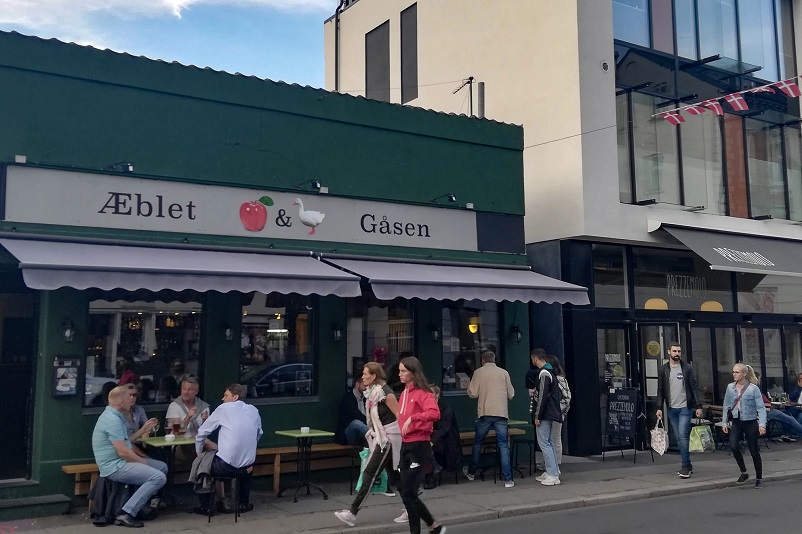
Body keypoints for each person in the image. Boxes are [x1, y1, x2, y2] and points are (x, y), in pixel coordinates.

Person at [334, 362, 401, 527]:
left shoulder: (387, 394)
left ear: (374, 376)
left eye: (365, 374)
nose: (362, 377)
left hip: (388, 440)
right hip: (380, 437)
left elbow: (401, 416)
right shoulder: (373, 392)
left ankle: (352, 512)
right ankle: (413, 505)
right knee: (396, 477)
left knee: (369, 472)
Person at [91, 386, 166, 528]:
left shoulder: (114, 416)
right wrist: (143, 462)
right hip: (114, 466)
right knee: (158, 477)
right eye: (128, 398)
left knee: (162, 467)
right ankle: (126, 513)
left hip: (120, 462)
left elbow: (127, 441)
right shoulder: (112, 420)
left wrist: (143, 430)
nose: (131, 401)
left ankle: (140, 505)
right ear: (120, 401)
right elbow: (123, 452)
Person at [194, 383, 263, 514]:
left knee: (202, 463)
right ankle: (243, 503)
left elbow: (202, 432)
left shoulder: (224, 408)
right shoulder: (253, 410)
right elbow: (259, 434)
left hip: (225, 467)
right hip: (246, 468)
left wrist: (198, 452)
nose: (222, 399)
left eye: (226, 395)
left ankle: (206, 506)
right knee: (247, 465)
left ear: (235, 397)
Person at [396, 356, 446, 534]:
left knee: (409, 493)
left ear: (413, 372)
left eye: (403, 371)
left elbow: (434, 413)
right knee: (405, 491)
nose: (400, 374)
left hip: (418, 445)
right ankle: (433, 525)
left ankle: (420, 529)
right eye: (399, 370)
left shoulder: (423, 393)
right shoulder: (404, 393)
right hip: (405, 444)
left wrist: (414, 418)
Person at [462, 351, 515, 488]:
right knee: (503, 445)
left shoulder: (478, 373)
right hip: (501, 413)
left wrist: (468, 385)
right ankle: (508, 479)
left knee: (478, 443)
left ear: (482, 361)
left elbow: (473, 394)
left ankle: (472, 472)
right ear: (494, 359)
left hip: (485, 413)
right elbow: (511, 394)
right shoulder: (504, 373)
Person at [655, 342, 703, 479]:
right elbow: (661, 390)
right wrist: (659, 407)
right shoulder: (663, 369)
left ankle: (686, 466)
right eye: (674, 351)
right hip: (672, 408)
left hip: (685, 407)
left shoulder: (687, 368)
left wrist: (698, 406)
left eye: (679, 351)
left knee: (682, 436)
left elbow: (694, 387)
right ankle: (687, 464)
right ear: (668, 352)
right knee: (679, 437)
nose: (677, 354)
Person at [722, 363, 767, 488]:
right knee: (734, 446)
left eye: (737, 372)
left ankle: (759, 477)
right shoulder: (730, 387)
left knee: (753, 450)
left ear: (744, 374)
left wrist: (762, 424)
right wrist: (724, 422)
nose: (734, 374)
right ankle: (744, 471)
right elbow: (726, 406)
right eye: (733, 372)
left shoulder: (753, 388)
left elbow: (761, 408)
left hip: (750, 421)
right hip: (737, 420)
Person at [526, 351, 563, 486]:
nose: (532, 361)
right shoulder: (551, 372)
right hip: (550, 412)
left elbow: (541, 397)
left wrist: (537, 415)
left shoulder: (543, 374)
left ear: (535, 358)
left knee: (544, 443)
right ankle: (552, 471)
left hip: (545, 413)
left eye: (532, 359)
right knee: (549, 442)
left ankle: (552, 474)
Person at [428, 386, 460, 488]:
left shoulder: (446, 409)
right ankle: (433, 469)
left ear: (437, 395)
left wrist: (432, 441)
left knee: (426, 447)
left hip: (446, 438)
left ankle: (430, 478)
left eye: (431, 393)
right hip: (432, 435)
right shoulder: (427, 407)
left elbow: (444, 429)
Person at [544, 355, 571, 470]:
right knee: (552, 439)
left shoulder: (557, 379)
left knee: (554, 438)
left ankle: (555, 465)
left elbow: (566, 398)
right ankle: (553, 464)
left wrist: (559, 410)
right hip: (555, 412)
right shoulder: (560, 378)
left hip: (555, 412)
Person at [334, 378, 368, 447]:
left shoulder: (366, 398)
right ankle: (375, 435)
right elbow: (357, 415)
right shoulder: (348, 398)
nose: (366, 388)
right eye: (364, 386)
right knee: (356, 423)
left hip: (362, 434)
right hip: (347, 433)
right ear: (357, 385)